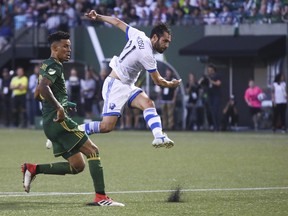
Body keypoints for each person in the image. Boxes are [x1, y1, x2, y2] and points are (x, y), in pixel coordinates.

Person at [22, 31, 124, 207]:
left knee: (77, 166)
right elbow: (43, 89)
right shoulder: (55, 65)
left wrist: (62, 102)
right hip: (59, 122)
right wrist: (59, 107)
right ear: (54, 48)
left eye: (70, 46)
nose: (69, 50)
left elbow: (37, 94)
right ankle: (101, 197)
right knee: (93, 151)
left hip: (50, 124)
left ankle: (33, 169)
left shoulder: (46, 65)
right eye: (65, 46)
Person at [81, 10, 181, 148]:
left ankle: (159, 137)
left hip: (128, 85)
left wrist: (98, 17)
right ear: (154, 38)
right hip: (115, 85)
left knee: (148, 103)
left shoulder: (139, 34)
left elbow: (117, 22)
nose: (167, 45)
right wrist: (171, 84)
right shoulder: (147, 56)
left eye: (168, 42)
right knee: (106, 126)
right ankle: (74, 131)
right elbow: (158, 81)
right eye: (164, 41)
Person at [199, 64, 222, 131]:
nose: (209, 71)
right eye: (208, 70)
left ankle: (217, 126)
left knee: (215, 110)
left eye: (210, 70)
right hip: (210, 95)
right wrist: (203, 78)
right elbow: (199, 83)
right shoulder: (207, 77)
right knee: (210, 111)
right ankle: (213, 126)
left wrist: (211, 80)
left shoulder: (217, 76)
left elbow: (218, 83)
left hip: (216, 95)